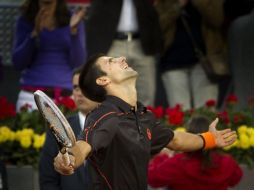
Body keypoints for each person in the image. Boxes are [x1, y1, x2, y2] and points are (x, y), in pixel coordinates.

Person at [53, 54, 237, 190]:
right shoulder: (104, 116)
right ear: (103, 80)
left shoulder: (143, 116)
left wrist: (211, 139)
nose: (121, 58)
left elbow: (176, 140)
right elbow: (84, 145)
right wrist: (69, 159)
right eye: (110, 61)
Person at [12, 0, 86, 112]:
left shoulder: (73, 20)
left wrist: (74, 32)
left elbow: (78, 62)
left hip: (64, 98)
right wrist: (34, 34)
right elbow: (18, 63)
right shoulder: (25, 20)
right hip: (31, 98)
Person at [84, 0, 162, 106]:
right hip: (113, 43)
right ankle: (117, 120)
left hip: (141, 44)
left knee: (146, 91)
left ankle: (145, 121)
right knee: (114, 90)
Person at [155, 0, 227, 110]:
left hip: (205, 63)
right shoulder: (164, 2)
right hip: (172, 61)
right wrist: (178, 5)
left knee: (206, 113)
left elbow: (217, 19)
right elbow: (156, 26)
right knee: (180, 114)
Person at [39, 66, 99, 190]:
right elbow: (48, 179)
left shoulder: (114, 126)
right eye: (76, 87)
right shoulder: (57, 128)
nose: (79, 92)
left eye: (85, 86)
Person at [148, 115, 243, 190]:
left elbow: (152, 178)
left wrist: (163, 156)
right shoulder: (227, 162)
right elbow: (236, 179)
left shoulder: (178, 163)